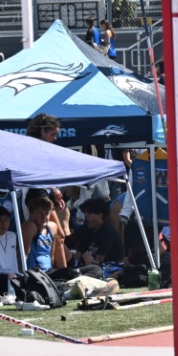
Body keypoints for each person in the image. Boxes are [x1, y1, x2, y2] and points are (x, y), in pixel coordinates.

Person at [26, 113, 68, 269]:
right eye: (53, 134)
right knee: (59, 236)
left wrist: (54, 190)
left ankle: (60, 270)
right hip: (36, 195)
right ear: (43, 131)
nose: (55, 138)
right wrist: (54, 190)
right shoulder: (33, 149)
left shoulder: (40, 148)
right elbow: (36, 174)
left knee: (57, 235)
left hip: (42, 193)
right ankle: (64, 273)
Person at [71, 198, 125, 267]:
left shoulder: (107, 234)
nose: (85, 216)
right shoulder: (86, 229)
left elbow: (98, 261)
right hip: (87, 265)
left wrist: (88, 263)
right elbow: (79, 252)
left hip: (108, 268)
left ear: (100, 215)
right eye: (85, 213)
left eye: (89, 213)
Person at [22, 197, 60, 272]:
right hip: (35, 273)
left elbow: (51, 256)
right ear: (31, 214)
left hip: (48, 272)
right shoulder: (30, 227)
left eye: (47, 213)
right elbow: (23, 256)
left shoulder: (52, 227)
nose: (44, 217)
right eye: (40, 213)